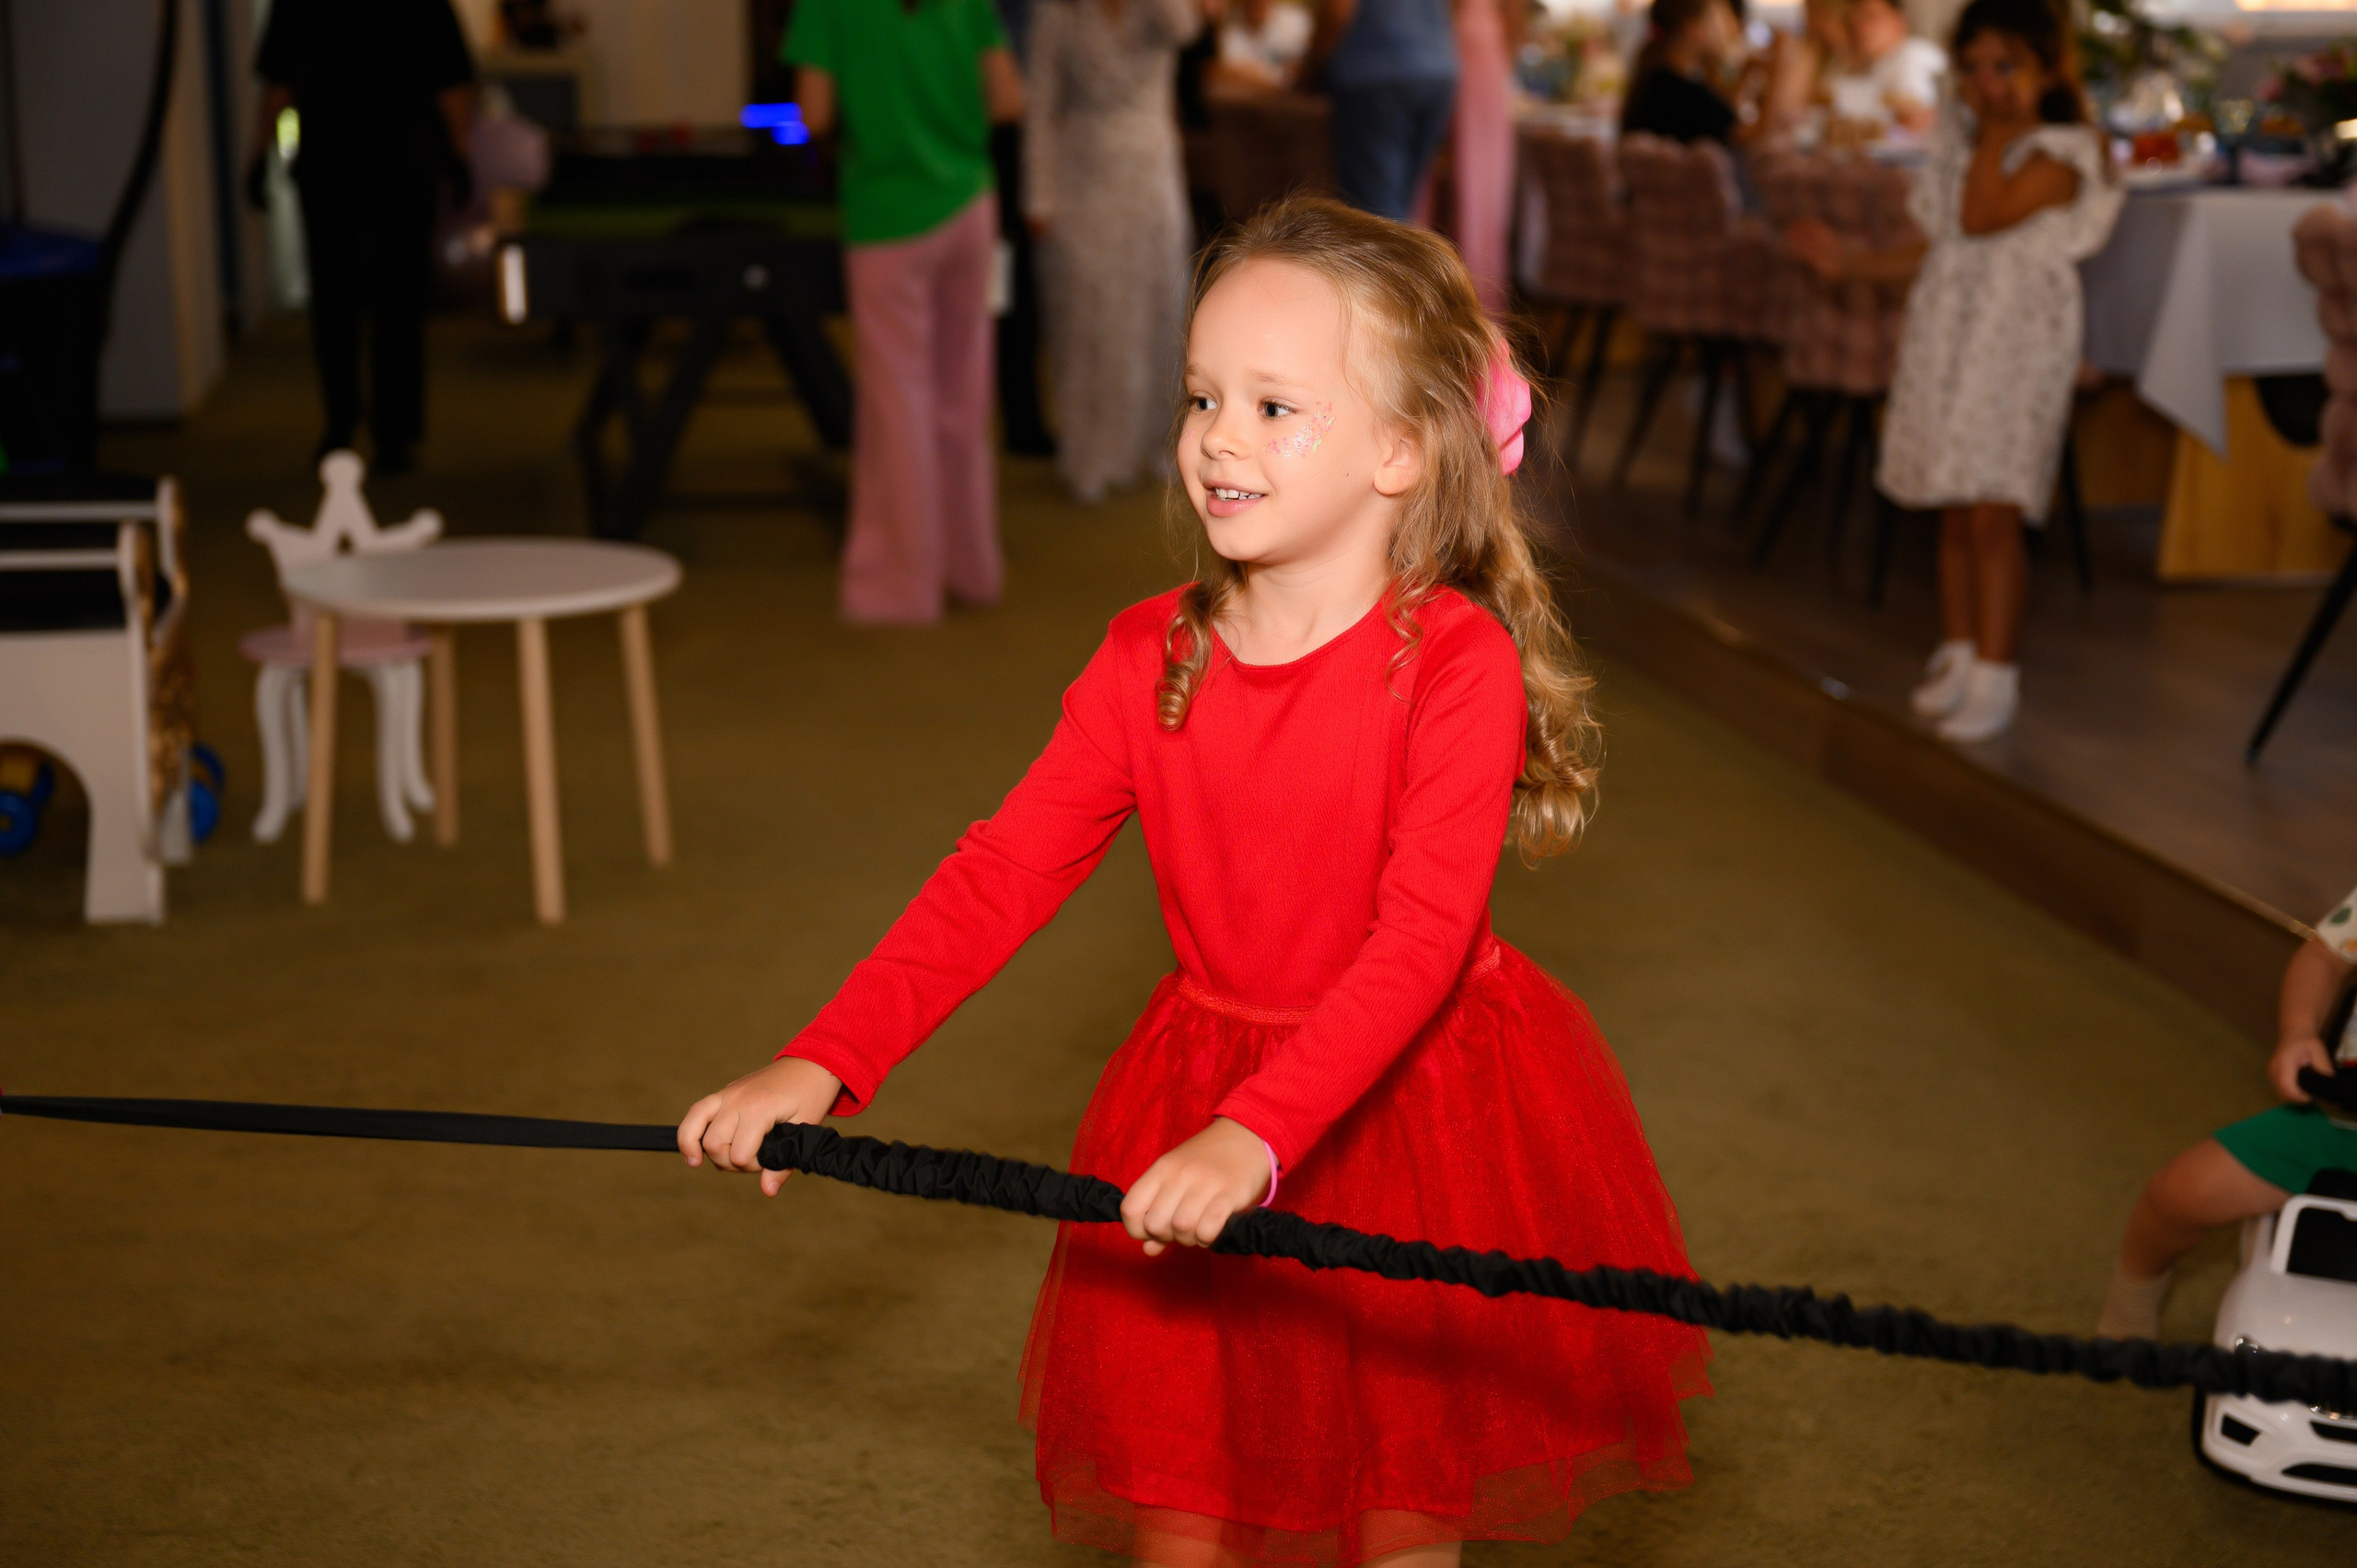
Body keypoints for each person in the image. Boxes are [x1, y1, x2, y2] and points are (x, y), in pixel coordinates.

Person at [679, 196, 1710, 1565]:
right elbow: (1000, 871)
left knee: (1402, 1508)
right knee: (1188, 1499)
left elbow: (1416, 944)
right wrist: (824, 1058)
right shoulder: (1144, 655)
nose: (1219, 434)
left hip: (1413, 1113)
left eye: (1277, 406)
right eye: (1204, 394)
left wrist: (1260, 1132)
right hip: (1198, 1092)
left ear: (1402, 450)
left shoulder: (1453, 666)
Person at [1785, 0, 2119, 742]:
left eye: (2006, 67)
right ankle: (1962, 650)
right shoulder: (1970, 147)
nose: (1986, 84)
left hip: (2017, 346)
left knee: (1994, 504)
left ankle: (1998, 671)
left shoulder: (2064, 150)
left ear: (2047, 70)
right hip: (1952, 336)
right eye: (1971, 69)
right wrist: (1851, 264)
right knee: (1953, 498)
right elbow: (1940, 244)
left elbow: (1982, 214)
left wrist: (1988, 129)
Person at [785, 0, 1026, 623]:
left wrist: (780, 127)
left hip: (887, 216)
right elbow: (1006, 99)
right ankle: (969, 567)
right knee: (963, 397)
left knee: (899, 405)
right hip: (970, 205)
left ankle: (902, 586)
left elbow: (810, 116)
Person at [2096, 889, 2357, 1340]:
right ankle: (2130, 1306)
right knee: (2180, 1193)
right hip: (2346, 1122)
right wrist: (2299, 1031)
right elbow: (2325, 958)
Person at [251, 0, 476, 474]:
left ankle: (342, 424)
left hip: (334, 158)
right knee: (398, 301)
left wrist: (262, 157)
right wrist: (457, 156)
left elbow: (280, 86)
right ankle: (392, 433)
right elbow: (452, 84)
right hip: (399, 160)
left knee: (336, 298)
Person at [1025, 0, 1200, 505]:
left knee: (1159, 311)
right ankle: (1092, 455)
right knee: (1089, 317)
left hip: (1151, 173)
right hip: (1083, 172)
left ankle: (1159, 444)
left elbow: (1186, 28)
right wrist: (1040, 195)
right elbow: (1041, 102)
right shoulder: (1058, 13)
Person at [1308, 0, 1460, 222]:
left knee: (1376, 211)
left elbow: (1337, 11)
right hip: (1437, 67)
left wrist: (1310, 70)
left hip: (1377, 70)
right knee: (1400, 202)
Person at [993, 0, 1059, 458]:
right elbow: (1009, 99)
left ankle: (1024, 419)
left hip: (1038, 144)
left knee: (1020, 292)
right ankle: (1020, 419)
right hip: (998, 148)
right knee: (1007, 289)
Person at [1447, 0, 1523, 316]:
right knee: (1474, 197)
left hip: (1470, 47)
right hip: (1469, 45)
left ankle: (1472, 315)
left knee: (1476, 198)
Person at [1618, 0, 1744, 145]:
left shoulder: (1657, 79)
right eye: (1719, 17)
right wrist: (1776, 64)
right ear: (1693, 27)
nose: (1729, 26)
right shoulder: (1681, 91)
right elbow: (1746, 138)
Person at [1823, 0, 1944, 135]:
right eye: (1854, 20)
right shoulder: (1853, 63)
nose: (1860, 27)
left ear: (1900, 21)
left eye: (1870, 17)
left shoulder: (1914, 54)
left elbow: (1918, 118)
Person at [1211, 0, 1316, 90]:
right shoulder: (1229, 30)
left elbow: (1301, 70)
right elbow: (1228, 72)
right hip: (1248, 103)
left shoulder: (1296, 21)